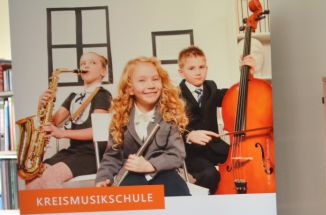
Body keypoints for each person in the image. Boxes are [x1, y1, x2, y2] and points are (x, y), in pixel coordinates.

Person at [95, 57, 190, 196]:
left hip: (163, 172)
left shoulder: (169, 115)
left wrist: (150, 166)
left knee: (181, 198)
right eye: (142, 80)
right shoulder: (120, 117)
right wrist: (104, 178)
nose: (150, 85)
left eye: (155, 79)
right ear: (130, 89)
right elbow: (112, 157)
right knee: (127, 207)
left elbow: (176, 155)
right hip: (131, 175)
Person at [25, 51, 112, 189]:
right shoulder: (73, 97)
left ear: (103, 71)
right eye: (83, 63)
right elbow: (52, 123)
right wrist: (42, 104)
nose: (86, 65)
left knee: (50, 176)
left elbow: (96, 132)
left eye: (92, 63)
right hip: (73, 151)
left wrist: (62, 133)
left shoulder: (102, 95)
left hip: (91, 154)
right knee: (32, 177)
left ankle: (61, 211)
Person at [177, 46, 255, 193]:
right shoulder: (175, 96)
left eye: (201, 67)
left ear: (207, 68)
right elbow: (172, 129)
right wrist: (188, 136)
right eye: (192, 68)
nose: (198, 72)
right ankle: (205, 204)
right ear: (181, 72)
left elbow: (235, 96)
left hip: (214, 146)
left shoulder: (211, 87)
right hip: (192, 152)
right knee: (210, 174)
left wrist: (246, 75)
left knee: (244, 160)